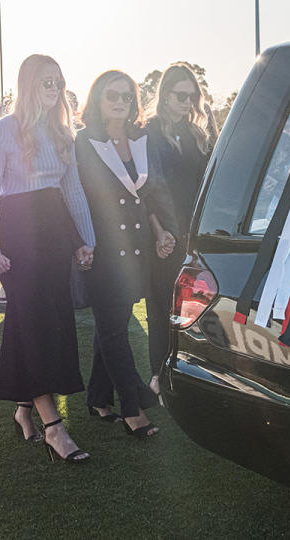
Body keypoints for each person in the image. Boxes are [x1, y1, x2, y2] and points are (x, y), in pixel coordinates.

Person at [0, 54, 95, 462]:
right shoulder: (1, 132)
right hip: (17, 233)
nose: (54, 89)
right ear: (28, 84)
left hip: (54, 230)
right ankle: (54, 426)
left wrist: (85, 238)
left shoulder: (63, 133)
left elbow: (74, 190)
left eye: (59, 82)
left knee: (48, 318)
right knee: (33, 319)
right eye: (47, 82)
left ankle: (23, 409)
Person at [76, 70, 178, 436]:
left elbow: (147, 194)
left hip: (136, 246)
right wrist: (81, 241)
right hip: (103, 248)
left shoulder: (140, 138)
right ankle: (132, 408)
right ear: (98, 100)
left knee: (114, 323)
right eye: (112, 95)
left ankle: (97, 396)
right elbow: (79, 198)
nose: (121, 102)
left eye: (126, 96)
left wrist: (160, 231)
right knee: (114, 328)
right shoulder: (84, 142)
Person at [145, 62, 216, 396]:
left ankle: (186, 373)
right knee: (162, 307)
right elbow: (143, 189)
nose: (188, 102)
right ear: (165, 94)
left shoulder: (197, 133)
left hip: (194, 231)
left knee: (192, 307)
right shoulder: (149, 132)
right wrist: (158, 231)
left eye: (192, 96)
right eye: (180, 95)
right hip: (163, 233)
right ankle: (158, 375)